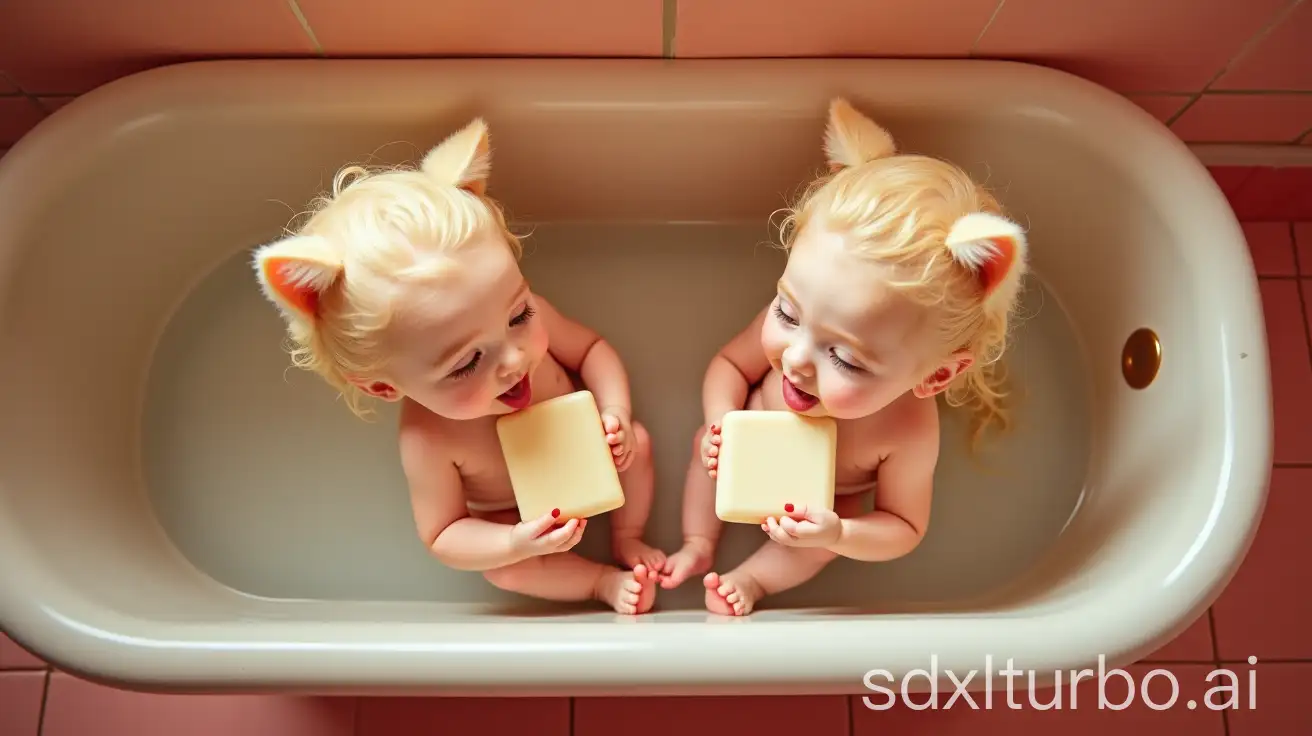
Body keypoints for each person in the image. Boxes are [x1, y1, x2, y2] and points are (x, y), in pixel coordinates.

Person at [252, 117, 662, 614]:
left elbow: (593, 350)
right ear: (384, 387)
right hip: (519, 515)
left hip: (588, 453)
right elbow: (443, 534)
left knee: (637, 442)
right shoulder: (428, 441)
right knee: (503, 570)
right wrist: (516, 540)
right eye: (467, 362)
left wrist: (613, 413)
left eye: (519, 315)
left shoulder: (518, 326)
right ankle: (598, 582)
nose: (514, 360)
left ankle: (628, 536)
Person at [661, 98, 1030, 616]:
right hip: (749, 453)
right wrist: (721, 421)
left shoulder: (907, 430)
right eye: (788, 313)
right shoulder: (802, 338)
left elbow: (903, 528)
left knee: (814, 551)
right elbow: (729, 366)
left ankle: (754, 580)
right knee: (707, 446)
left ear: (936, 375)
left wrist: (838, 532)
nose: (795, 360)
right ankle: (697, 542)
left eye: (847, 360)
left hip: (821, 501)